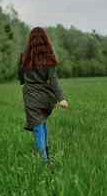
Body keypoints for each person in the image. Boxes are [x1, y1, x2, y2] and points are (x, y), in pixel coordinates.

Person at [18, 27, 69, 162]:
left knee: (38, 127)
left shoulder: (24, 57)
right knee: (42, 124)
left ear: (31, 41)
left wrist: (26, 83)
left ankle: (44, 161)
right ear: (45, 40)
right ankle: (46, 157)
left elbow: (21, 76)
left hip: (30, 96)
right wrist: (61, 99)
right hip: (45, 97)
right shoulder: (48, 58)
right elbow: (53, 81)